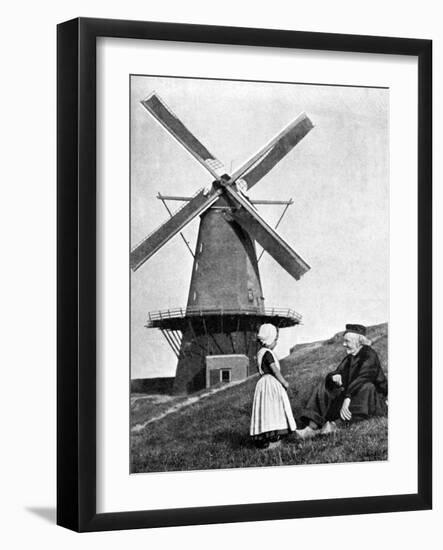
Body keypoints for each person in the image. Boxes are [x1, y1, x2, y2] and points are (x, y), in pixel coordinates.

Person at [296, 324, 388, 439]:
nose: (344, 344)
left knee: (367, 387)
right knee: (324, 385)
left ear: (358, 342)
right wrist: (334, 376)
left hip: (373, 398)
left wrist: (347, 398)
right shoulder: (350, 357)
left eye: (347, 341)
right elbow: (337, 371)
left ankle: (337, 424)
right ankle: (312, 427)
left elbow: (362, 378)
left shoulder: (369, 355)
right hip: (352, 393)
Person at [250, 324, 296, 449]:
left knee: (266, 410)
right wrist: (284, 382)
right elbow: (275, 370)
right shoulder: (268, 353)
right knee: (273, 410)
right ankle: (273, 439)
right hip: (271, 383)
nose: (276, 342)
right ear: (270, 339)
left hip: (263, 384)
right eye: (275, 339)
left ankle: (266, 438)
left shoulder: (260, 353)